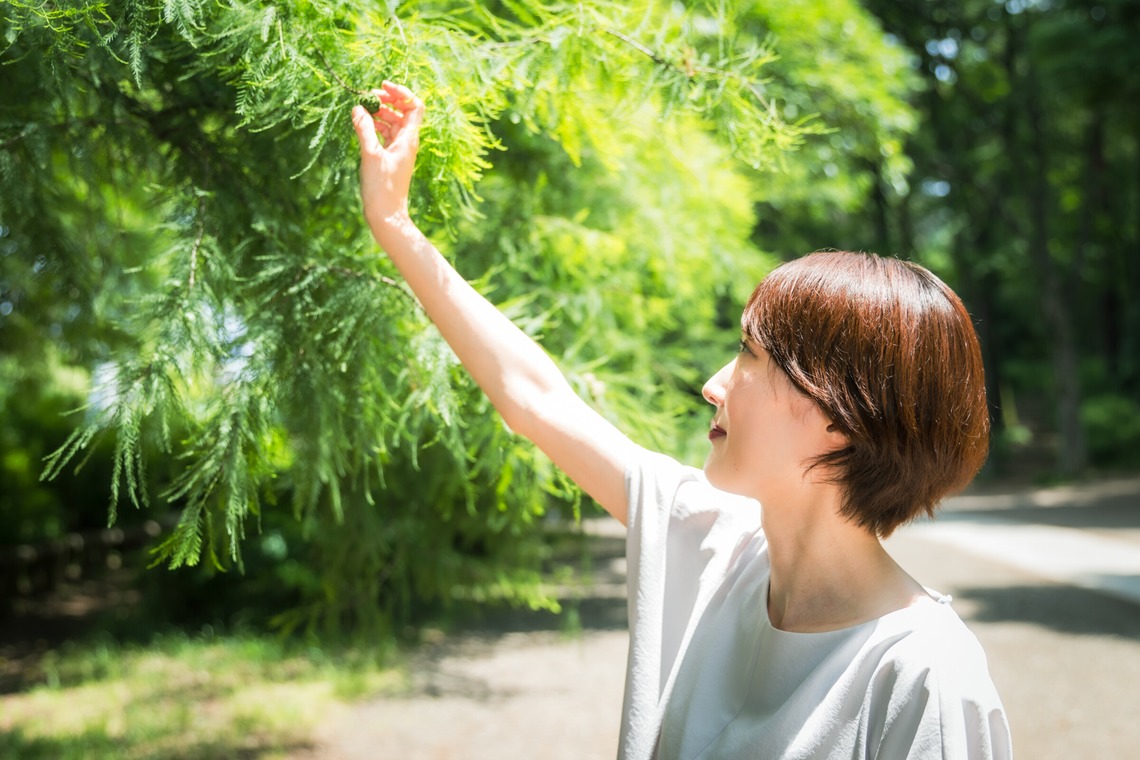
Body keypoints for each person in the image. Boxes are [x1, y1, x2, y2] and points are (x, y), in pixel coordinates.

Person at [350, 82, 1013, 760]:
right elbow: (534, 397)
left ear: (842, 415)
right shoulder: (716, 546)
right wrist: (394, 223)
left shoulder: (923, 679)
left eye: (751, 357)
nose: (712, 385)